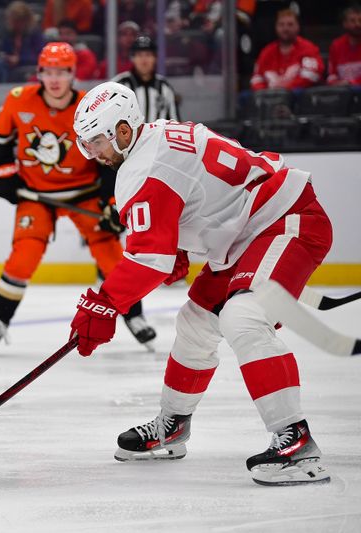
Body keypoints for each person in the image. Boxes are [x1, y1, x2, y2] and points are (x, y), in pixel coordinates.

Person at [70, 81, 333, 486]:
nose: (93, 154)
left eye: (96, 142)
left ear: (124, 130)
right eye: (85, 145)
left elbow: (147, 261)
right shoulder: (154, 136)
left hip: (285, 219)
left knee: (243, 318)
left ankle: (297, 443)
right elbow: (197, 194)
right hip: (245, 233)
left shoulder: (144, 169)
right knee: (195, 323)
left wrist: (103, 304)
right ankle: (173, 425)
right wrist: (176, 244)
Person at [0, 42, 156, 354]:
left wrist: (110, 201)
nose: (55, 79)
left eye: (62, 71)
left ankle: (135, 316)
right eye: (49, 71)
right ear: (39, 73)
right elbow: (0, 141)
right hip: (35, 195)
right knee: (23, 255)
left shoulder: (87, 106)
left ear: (73, 74)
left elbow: (108, 156)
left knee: (111, 256)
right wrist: (4, 176)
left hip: (83, 193)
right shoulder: (18, 100)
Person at [250, 9, 323, 91]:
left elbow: (311, 75)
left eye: (290, 24)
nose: (285, 28)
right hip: (270, 98)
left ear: (298, 27)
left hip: (298, 98)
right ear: (276, 27)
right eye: (281, 25)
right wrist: (265, 94)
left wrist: (285, 90)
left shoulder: (308, 48)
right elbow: (256, 78)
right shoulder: (266, 52)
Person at [112, 35, 180, 121]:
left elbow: (175, 122)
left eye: (148, 55)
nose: (144, 60)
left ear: (155, 58)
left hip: (158, 135)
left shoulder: (164, 87)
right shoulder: (119, 85)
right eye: (139, 55)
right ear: (133, 58)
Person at [327, 4, 361, 86]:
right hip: (342, 93)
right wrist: (334, 83)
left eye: (360, 20)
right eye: (353, 21)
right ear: (345, 24)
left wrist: (350, 83)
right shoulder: (336, 45)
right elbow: (331, 74)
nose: (357, 24)